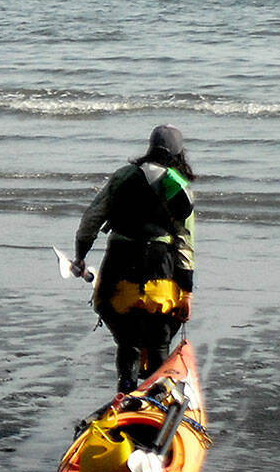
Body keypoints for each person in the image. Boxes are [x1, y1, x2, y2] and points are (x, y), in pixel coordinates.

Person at [72, 124, 196, 394]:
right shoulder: (179, 186)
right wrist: (186, 291)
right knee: (160, 339)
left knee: (128, 341)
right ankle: (157, 394)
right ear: (178, 154)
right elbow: (185, 241)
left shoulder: (123, 177)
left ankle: (126, 389)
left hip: (119, 267)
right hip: (160, 271)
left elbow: (90, 221)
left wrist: (80, 256)